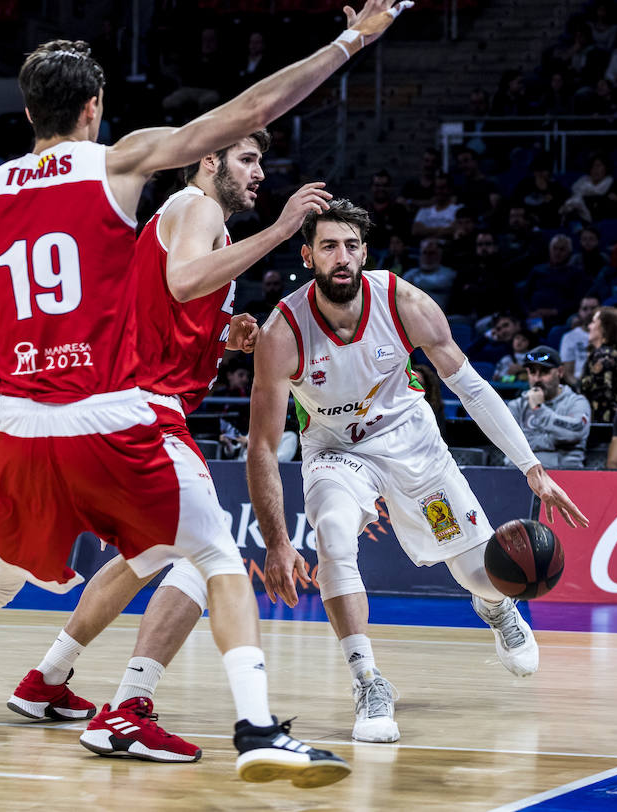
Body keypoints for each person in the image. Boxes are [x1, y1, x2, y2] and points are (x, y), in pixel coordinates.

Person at [0, 0, 414, 791]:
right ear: (93, 107)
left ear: (28, 112)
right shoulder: (118, 161)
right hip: (106, 412)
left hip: (18, 425)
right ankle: (256, 728)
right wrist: (350, 41)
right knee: (214, 551)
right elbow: (250, 110)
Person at [8, 144, 330, 761]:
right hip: (144, 408)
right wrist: (283, 229)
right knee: (207, 557)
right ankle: (128, 711)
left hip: (118, 404)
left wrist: (223, 334)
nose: (260, 172)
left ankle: (46, 680)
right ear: (209, 161)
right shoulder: (196, 207)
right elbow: (183, 282)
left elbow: (170, 304)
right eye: (247, 159)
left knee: (147, 554)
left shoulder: (193, 222)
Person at [243, 200, 587, 744]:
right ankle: (368, 681)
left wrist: (532, 467)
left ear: (364, 253)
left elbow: (471, 387)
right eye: (329, 246)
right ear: (308, 256)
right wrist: (277, 541)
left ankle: (496, 606)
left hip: (411, 441)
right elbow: (262, 447)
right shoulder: (283, 331)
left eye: (351, 246)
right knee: (332, 533)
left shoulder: (403, 302)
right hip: (336, 451)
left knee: (477, 574)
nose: (342, 257)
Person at [504, 346, 591, 469]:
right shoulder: (517, 406)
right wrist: (555, 440)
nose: (537, 379)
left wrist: (539, 409)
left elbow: (573, 433)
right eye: (532, 372)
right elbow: (509, 445)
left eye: (544, 372)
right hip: (520, 476)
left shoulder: (577, 402)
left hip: (566, 475)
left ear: (560, 372)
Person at [580, 305, 617, 423]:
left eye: (593, 322)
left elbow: (601, 402)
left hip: (606, 427)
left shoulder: (603, 357)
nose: (589, 326)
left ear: (605, 328)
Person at [559, 295, 600, 386]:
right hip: (580, 384)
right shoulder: (569, 337)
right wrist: (580, 388)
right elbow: (568, 373)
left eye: (593, 308)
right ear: (579, 311)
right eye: (585, 309)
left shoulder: (610, 334)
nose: (589, 312)